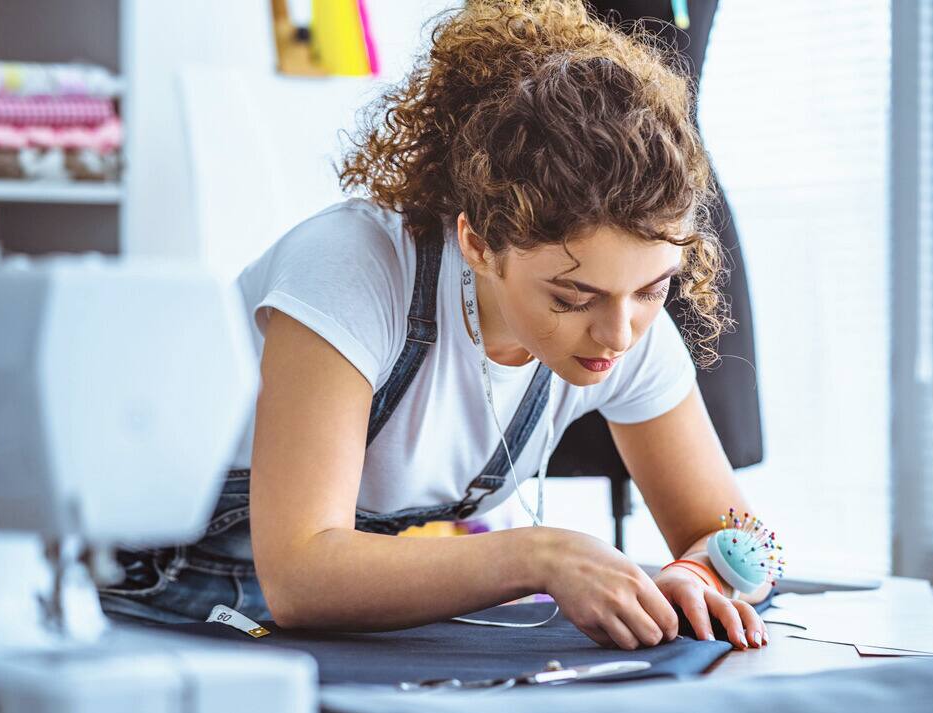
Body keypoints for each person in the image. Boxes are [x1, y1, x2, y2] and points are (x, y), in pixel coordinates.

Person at [99, 0, 772, 652]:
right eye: (571, 298)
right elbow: (299, 572)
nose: (620, 334)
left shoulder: (627, 329)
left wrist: (698, 573)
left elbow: (739, 536)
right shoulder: (354, 270)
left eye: (653, 290)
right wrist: (540, 555)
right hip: (155, 609)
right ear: (478, 244)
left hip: (333, 638)